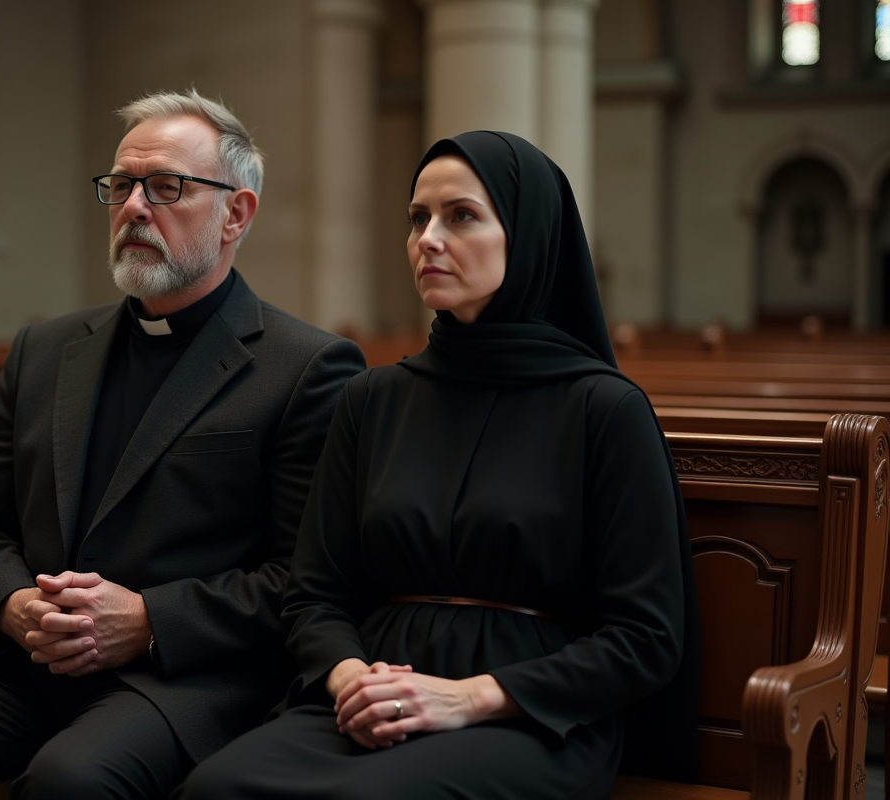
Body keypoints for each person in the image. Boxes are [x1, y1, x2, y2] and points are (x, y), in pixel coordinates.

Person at [0, 90, 366, 800]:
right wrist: (13, 604)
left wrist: (146, 621)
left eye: (167, 187)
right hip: (24, 664)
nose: (134, 206)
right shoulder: (46, 349)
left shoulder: (307, 367)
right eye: (123, 185)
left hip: (182, 678)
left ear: (236, 214)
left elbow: (305, 580)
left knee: (71, 783)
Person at [175, 131, 699, 800]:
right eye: (418, 218)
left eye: (461, 216)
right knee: (214, 788)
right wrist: (350, 679)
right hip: (373, 694)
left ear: (527, 233)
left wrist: (467, 698)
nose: (428, 238)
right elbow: (315, 592)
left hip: (532, 714)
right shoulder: (373, 399)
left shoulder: (604, 410)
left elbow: (646, 636)